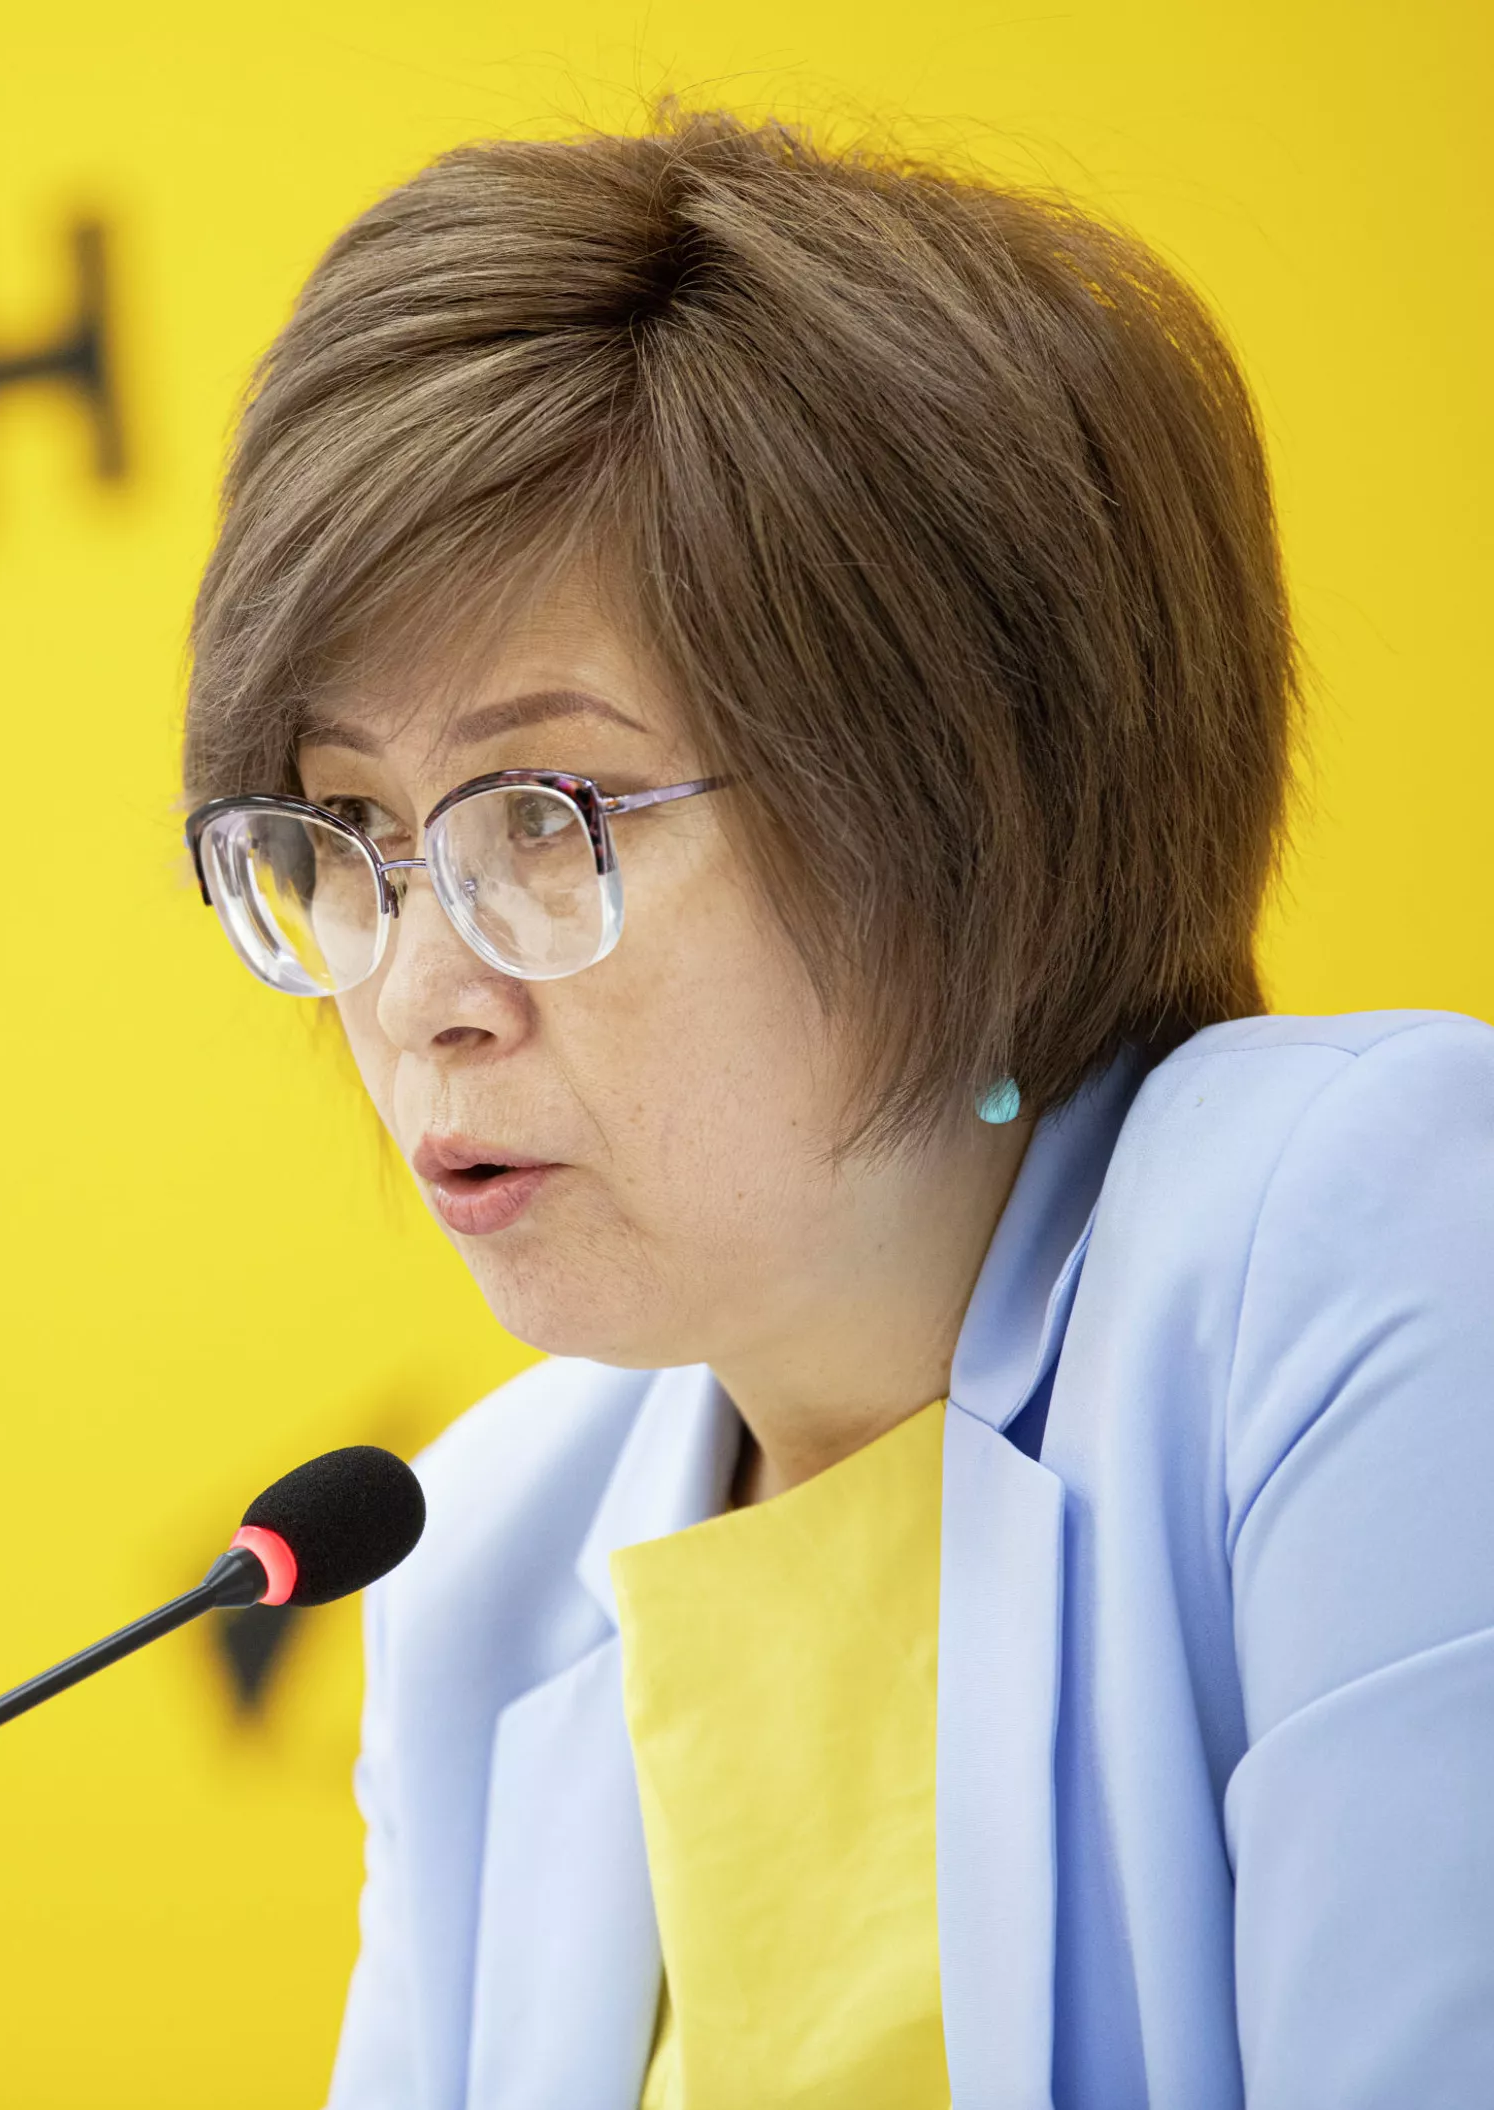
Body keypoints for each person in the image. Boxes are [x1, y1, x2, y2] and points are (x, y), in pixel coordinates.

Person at [181, 110, 1494, 2109]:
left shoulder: (1356, 1244)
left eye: (547, 814)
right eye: (351, 824)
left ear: (958, 811)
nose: (423, 992)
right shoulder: (486, 1562)